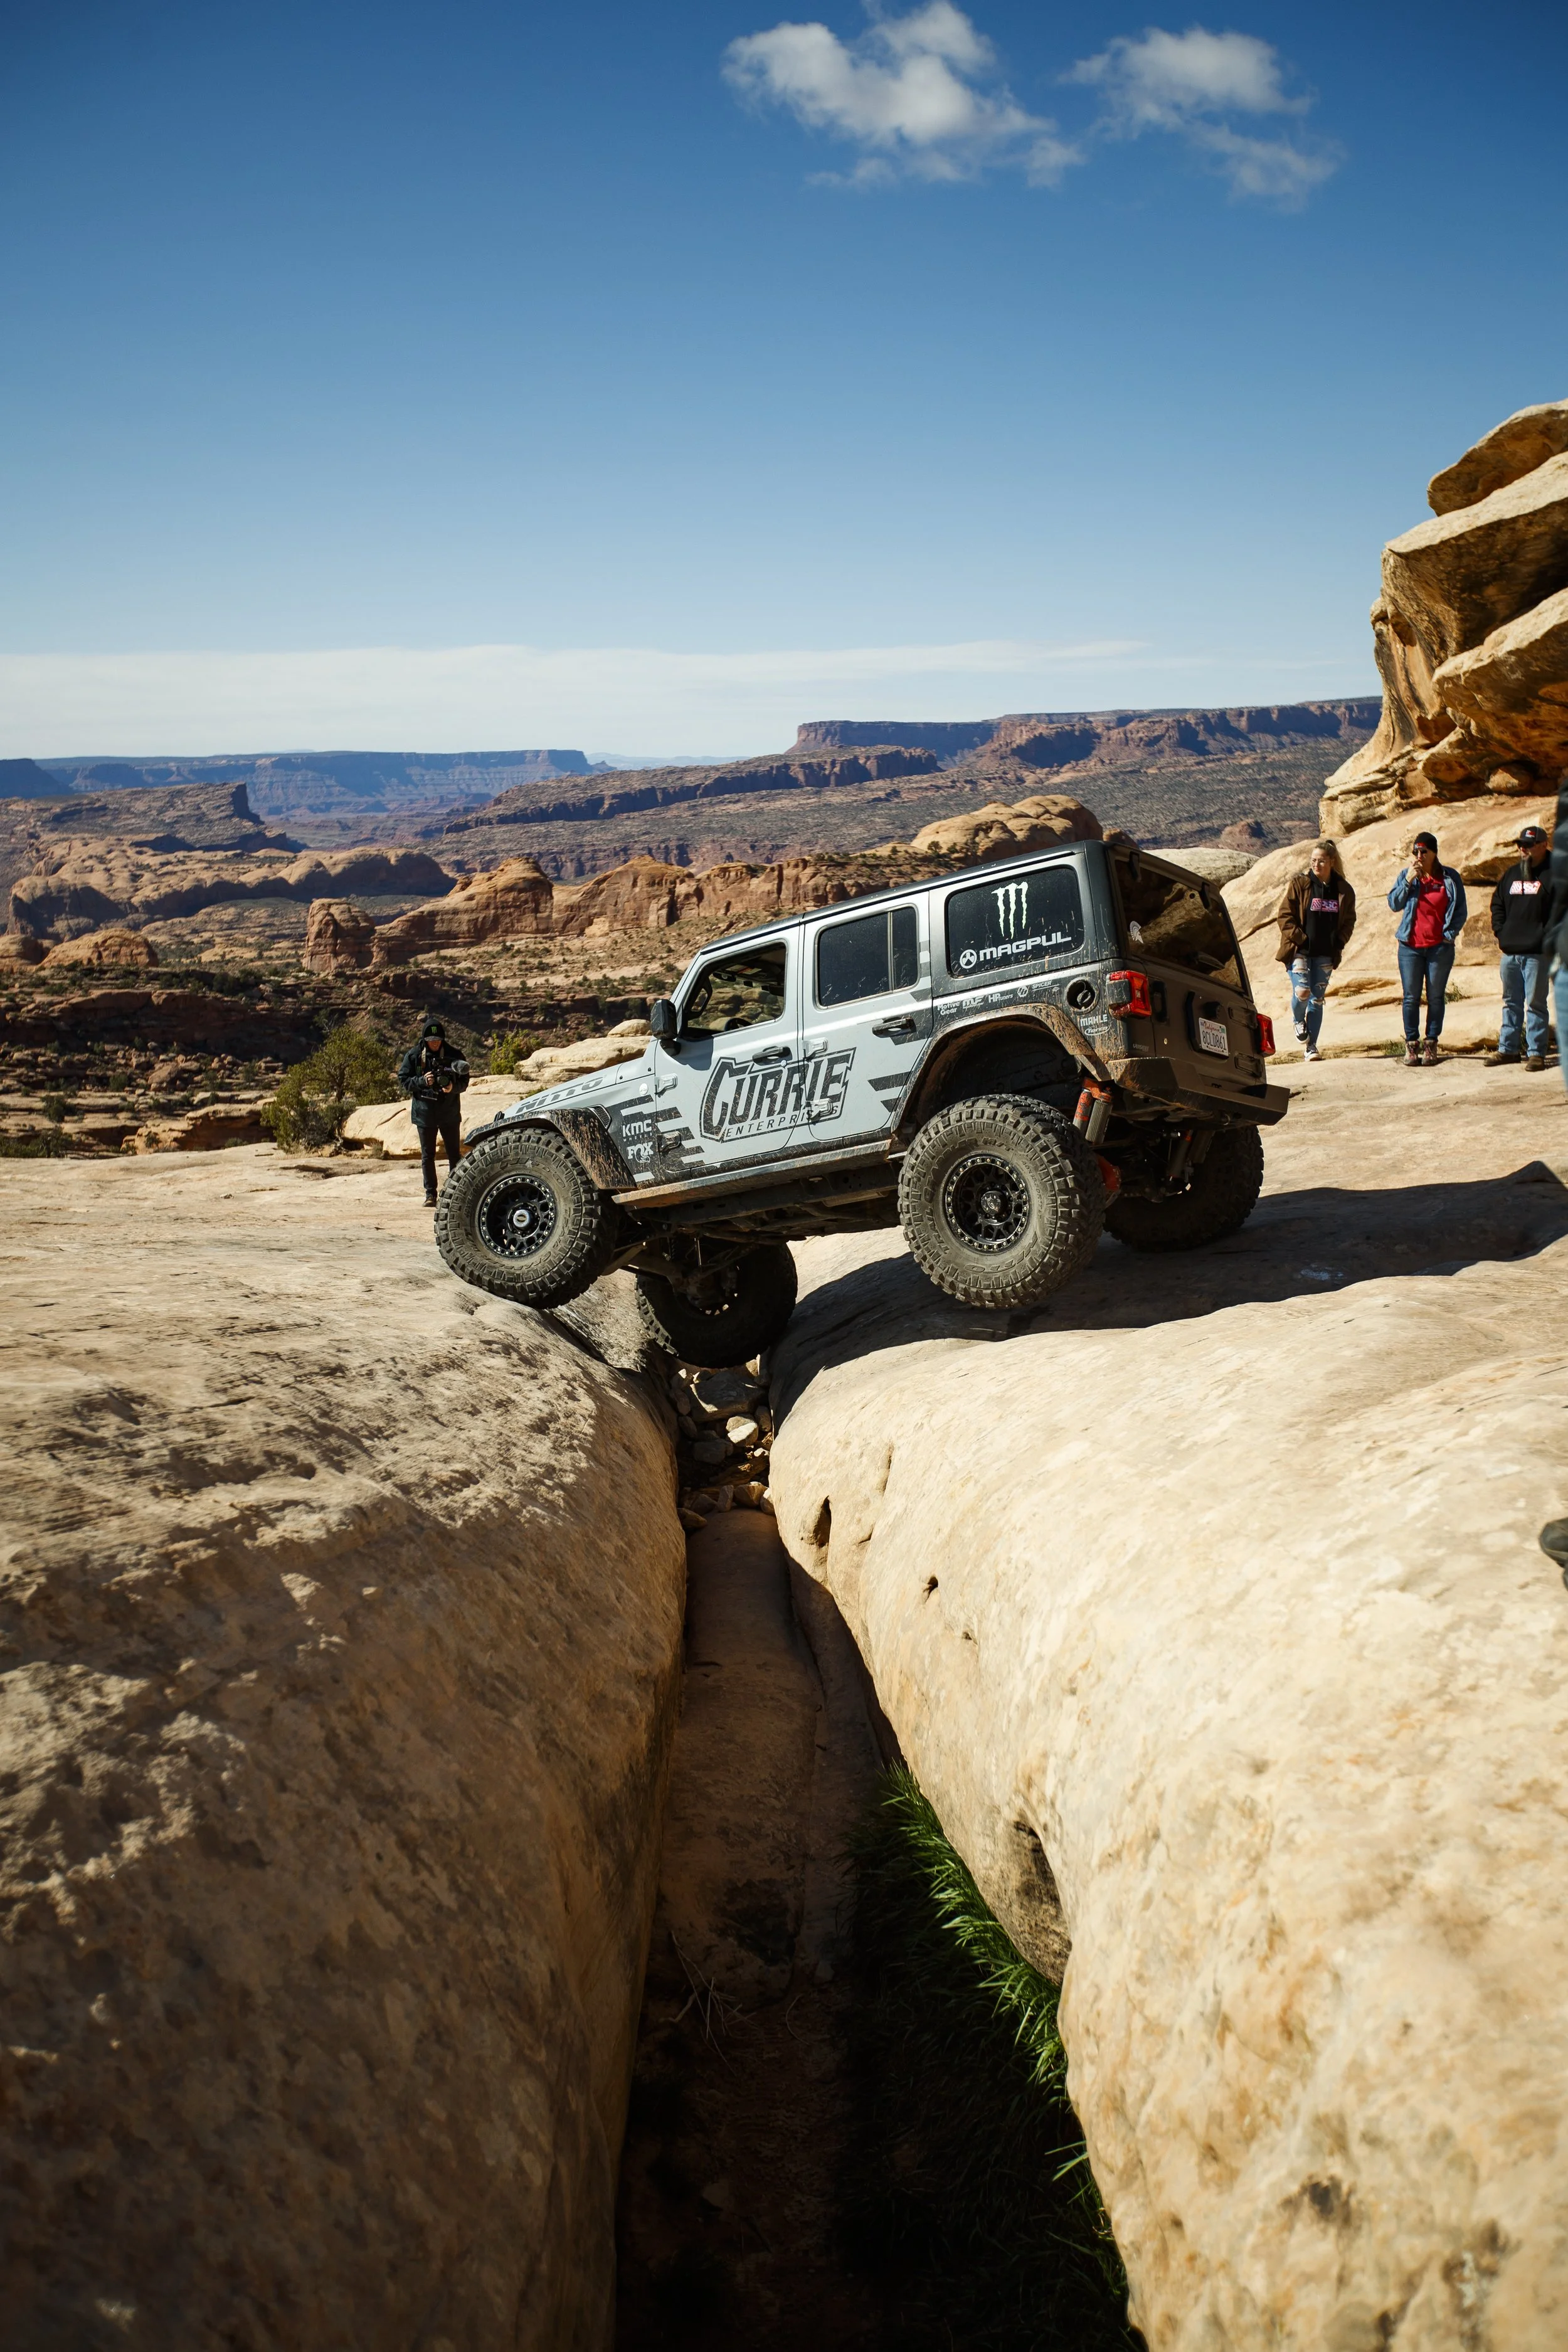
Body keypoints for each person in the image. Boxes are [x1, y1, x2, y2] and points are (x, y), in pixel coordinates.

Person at [1387, 830, 1468, 1067]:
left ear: (1434, 853)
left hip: (1439, 949)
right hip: (1410, 948)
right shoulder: (1408, 875)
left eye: (1424, 852)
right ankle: (1411, 1046)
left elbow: (1460, 911)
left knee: (1435, 997)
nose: (1419, 856)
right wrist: (1408, 880)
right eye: (1416, 852)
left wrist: (1449, 935)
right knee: (1411, 998)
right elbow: (1394, 903)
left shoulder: (1450, 878)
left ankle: (1431, 1044)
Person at [1274, 839, 1357, 1062]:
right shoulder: (1300, 884)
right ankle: (1298, 1020)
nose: (1316, 865)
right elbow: (1284, 915)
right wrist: (1301, 939)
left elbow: (1349, 920)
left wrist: (1339, 942)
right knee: (1302, 992)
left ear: (1332, 862)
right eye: (1313, 861)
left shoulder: (1343, 890)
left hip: (1326, 953)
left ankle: (1312, 1047)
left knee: (1317, 999)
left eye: (1321, 861)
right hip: (1300, 951)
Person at [1484, 824, 1555, 1069]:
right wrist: (1502, 932)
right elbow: (1497, 904)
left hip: (1537, 953)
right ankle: (1508, 1050)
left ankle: (1536, 1053)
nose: (1522, 849)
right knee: (1510, 1002)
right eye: (1520, 844)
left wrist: (1544, 938)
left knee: (1535, 1003)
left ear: (1544, 845)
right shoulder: (1513, 873)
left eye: (1528, 845)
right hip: (1511, 952)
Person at [398, 1018, 469, 1205]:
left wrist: (453, 1087)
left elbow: (465, 1082)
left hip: (449, 1112)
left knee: (454, 1154)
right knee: (428, 1156)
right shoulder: (414, 1056)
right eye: (431, 1039)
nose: (435, 1042)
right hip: (425, 1113)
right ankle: (431, 1195)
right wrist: (422, 1081)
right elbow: (404, 1080)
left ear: (443, 1038)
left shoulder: (455, 1055)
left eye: (438, 1039)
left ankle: (456, 1193)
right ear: (424, 1039)